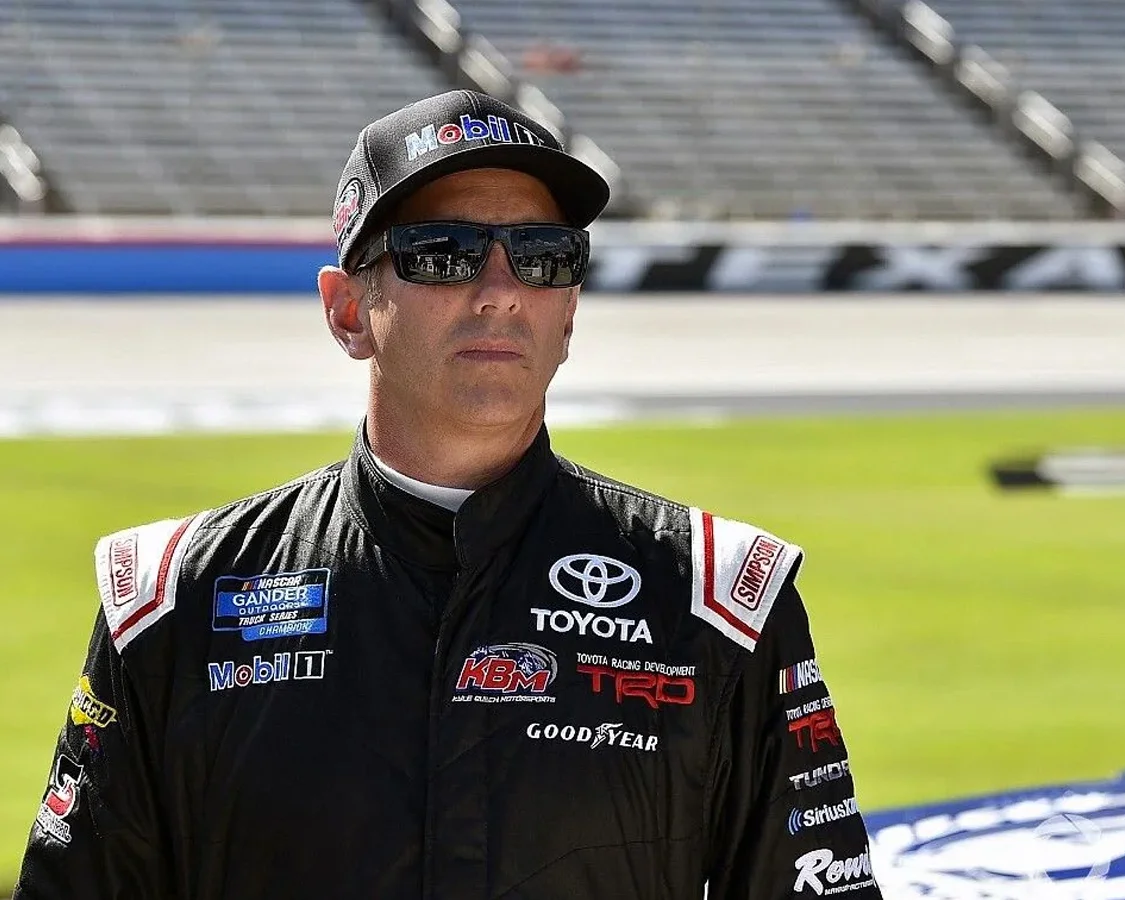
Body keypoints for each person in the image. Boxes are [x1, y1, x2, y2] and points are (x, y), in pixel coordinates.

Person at [15, 90, 883, 900]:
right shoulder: (174, 598)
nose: (501, 292)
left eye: (543, 258)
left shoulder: (720, 600)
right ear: (347, 311)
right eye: (444, 253)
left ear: (570, 312)